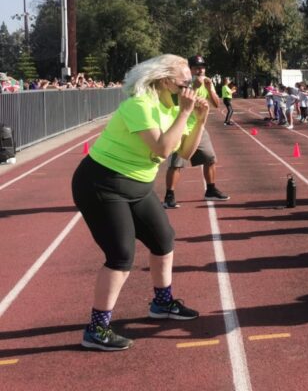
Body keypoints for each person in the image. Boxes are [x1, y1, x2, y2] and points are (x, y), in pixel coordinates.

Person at [71, 54, 207, 351]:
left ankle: (162, 304)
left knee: (164, 240)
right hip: (102, 184)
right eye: (185, 80)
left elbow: (184, 153)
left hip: (139, 186)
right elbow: (161, 148)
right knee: (121, 255)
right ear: (164, 79)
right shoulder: (139, 105)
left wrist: (199, 119)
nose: (191, 85)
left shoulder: (172, 107)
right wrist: (186, 113)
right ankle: (96, 329)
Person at [164, 55, 229, 208]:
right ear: (190, 69)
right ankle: (169, 196)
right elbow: (179, 101)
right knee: (176, 164)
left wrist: (208, 88)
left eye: (203, 67)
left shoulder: (207, 82)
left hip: (197, 126)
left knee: (210, 158)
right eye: (197, 68)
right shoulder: (183, 81)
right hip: (179, 126)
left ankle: (210, 190)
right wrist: (194, 86)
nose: (201, 70)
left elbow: (216, 104)